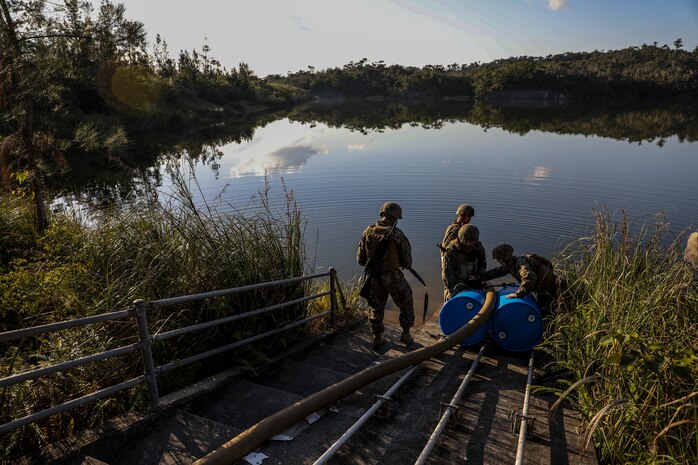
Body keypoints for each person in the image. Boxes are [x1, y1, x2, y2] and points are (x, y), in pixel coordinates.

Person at [356, 202, 415, 350]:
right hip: (393, 276)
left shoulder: (367, 231)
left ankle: (377, 338)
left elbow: (361, 260)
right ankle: (406, 334)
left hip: (374, 276)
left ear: (382, 214)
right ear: (395, 218)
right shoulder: (398, 234)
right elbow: (407, 262)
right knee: (406, 301)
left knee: (375, 307)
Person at [476, 243, 558, 317]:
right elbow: (497, 272)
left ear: (503, 259)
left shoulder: (520, 263)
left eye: (498, 260)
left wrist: (518, 294)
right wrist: (479, 277)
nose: (498, 262)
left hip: (548, 288)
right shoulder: (511, 264)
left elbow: (530, 277)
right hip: (544, 287)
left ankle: (550, 328)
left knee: (545, 311)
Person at [440, 203, 475, 300]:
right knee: (451, 294)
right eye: (469, 217)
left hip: (456, 267)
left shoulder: (453, 226)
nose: (470, 219)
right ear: (463, 216)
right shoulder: (457, 230)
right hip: (452, 268)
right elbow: (447, 252)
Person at [442, 224, 487, 300]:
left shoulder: (477, 245)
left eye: (474, 241)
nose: (472, 243)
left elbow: (482, 263)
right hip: (456, 282)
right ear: (462, 239)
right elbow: (447, 273)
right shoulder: (451, 250)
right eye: (470, 241)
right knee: (452, 300)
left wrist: (478, 276)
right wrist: (452, 290)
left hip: (472, 278)